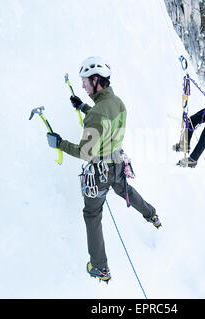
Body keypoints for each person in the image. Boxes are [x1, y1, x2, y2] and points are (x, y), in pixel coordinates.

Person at [46, 56, 160, 282]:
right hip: (117, 163)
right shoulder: (118, 102)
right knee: (125, 190)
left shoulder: (97, 113)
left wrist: (59, 143)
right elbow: (104, 120)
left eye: (85, 81)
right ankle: (151, 214)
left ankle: (100, 267)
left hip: (100, 174)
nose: (82, 86)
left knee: (92, 214)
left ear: (96, 80)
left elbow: (85, 152)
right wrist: (84, 107)